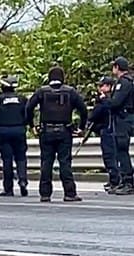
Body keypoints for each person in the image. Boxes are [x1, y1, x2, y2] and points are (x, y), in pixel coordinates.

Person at [25, 66, 87, 202]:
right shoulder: (70, 92)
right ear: (62, 78)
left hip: (46, 131)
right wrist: (81, 128)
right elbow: (83, 110)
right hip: (65, 131)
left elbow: (29, 108)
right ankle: (69, 193)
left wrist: (32, 126)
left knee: (46, 162)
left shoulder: (41, 92)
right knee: (65, 162)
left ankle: (45, 194)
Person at [0, 75, 30, 197]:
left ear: (3, 86)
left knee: (7, 160)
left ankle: (8, 188)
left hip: (3, 131)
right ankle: (22, 180)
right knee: (21, 158)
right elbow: (28, 113)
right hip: (19, 130)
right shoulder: (22, 99)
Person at [107, 57, 134, 195]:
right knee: (121, 149)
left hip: (124, 119)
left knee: (121, 149)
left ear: (117, 67)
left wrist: (106, 100)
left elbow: (116, 102)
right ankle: (125, 180)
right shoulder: (129, 81)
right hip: (126, 117)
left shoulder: (124, 83)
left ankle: (128, 181)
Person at [88, 76, 119, 192]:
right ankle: (113, 179)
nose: (100, 88)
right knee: (110, 157)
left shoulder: (109, 100)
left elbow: (96, 114)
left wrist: (101, 101)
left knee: (110, 156)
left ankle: (115, 180)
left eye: (103, 85)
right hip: (106, 129)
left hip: (109, 130)